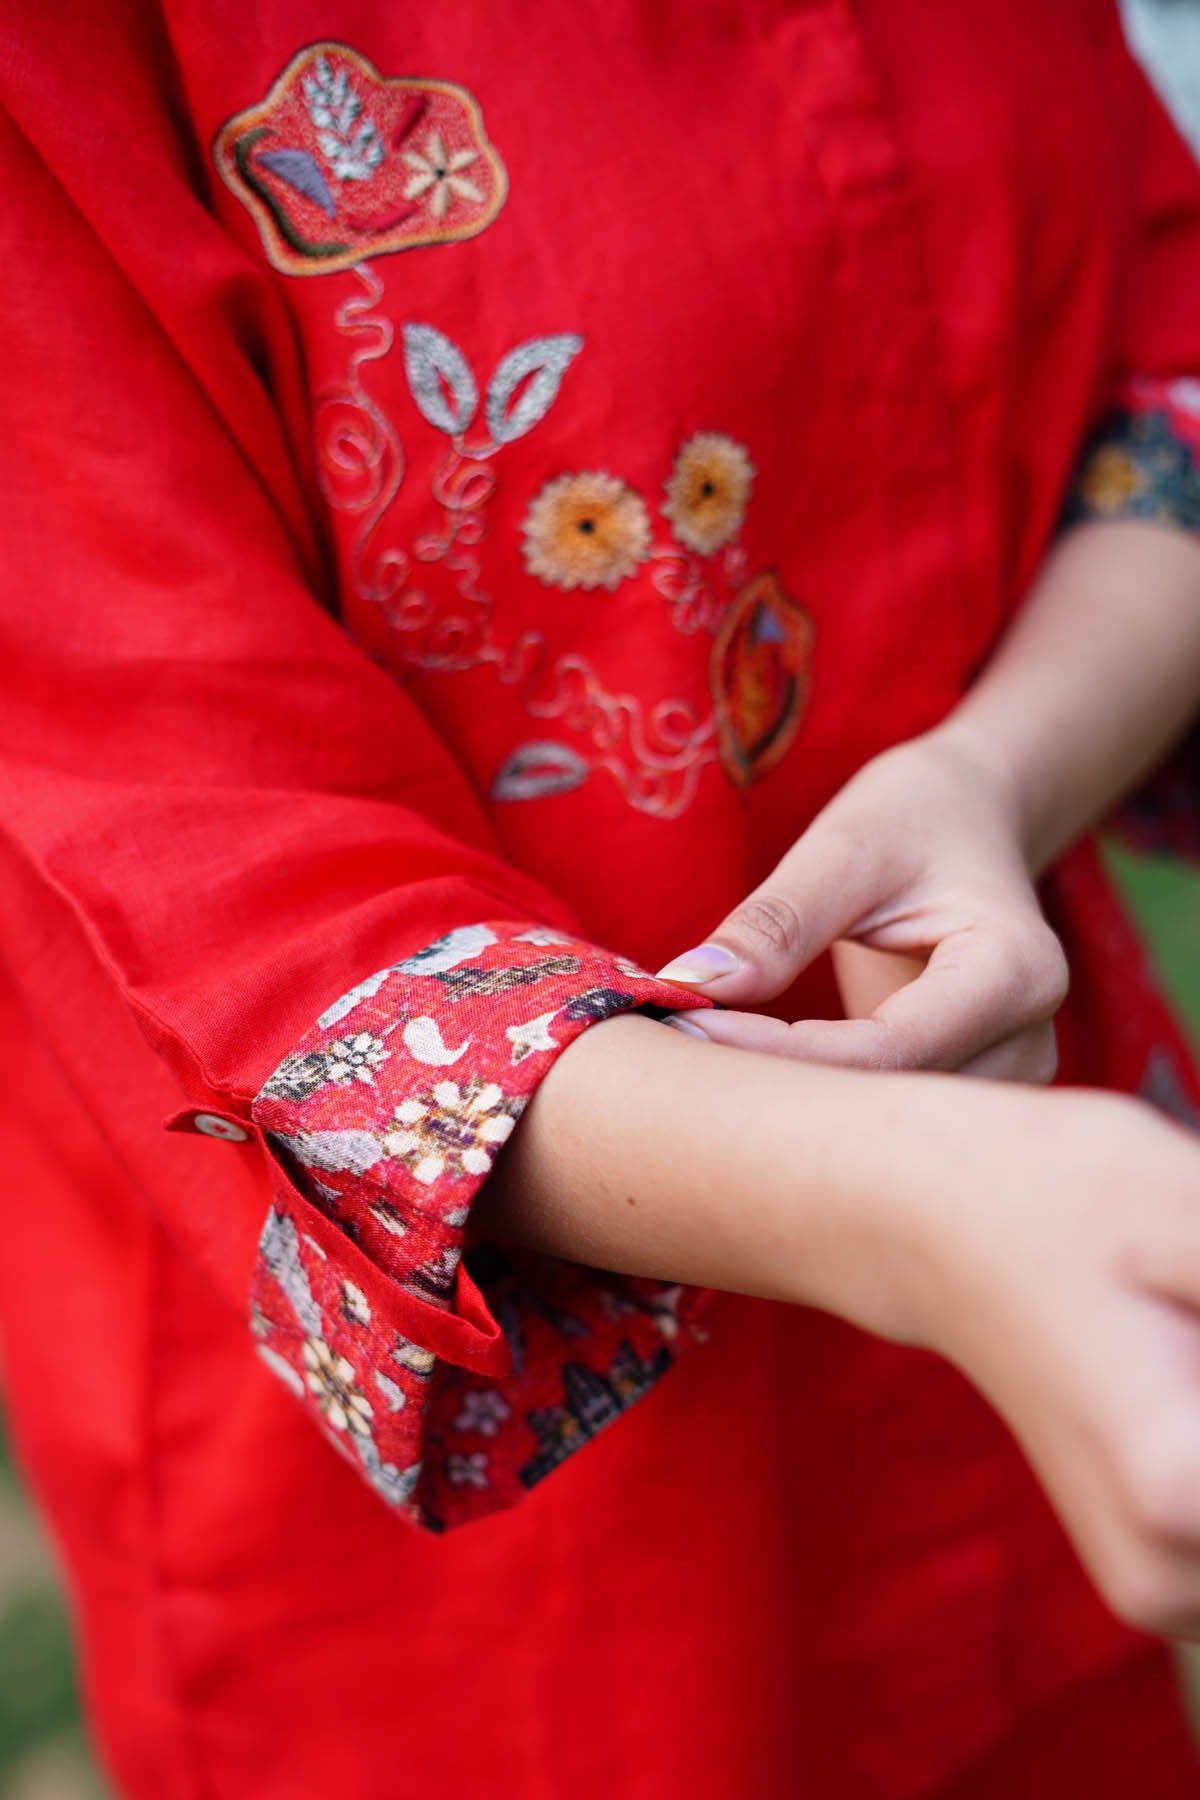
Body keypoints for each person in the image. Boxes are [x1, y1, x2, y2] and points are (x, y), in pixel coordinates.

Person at [3, 2, 1200, 1794]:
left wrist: (993, 771)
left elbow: (1164, 377)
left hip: (1037, 1261)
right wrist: (943, 1205)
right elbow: (218, 872)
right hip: (495, 1575)